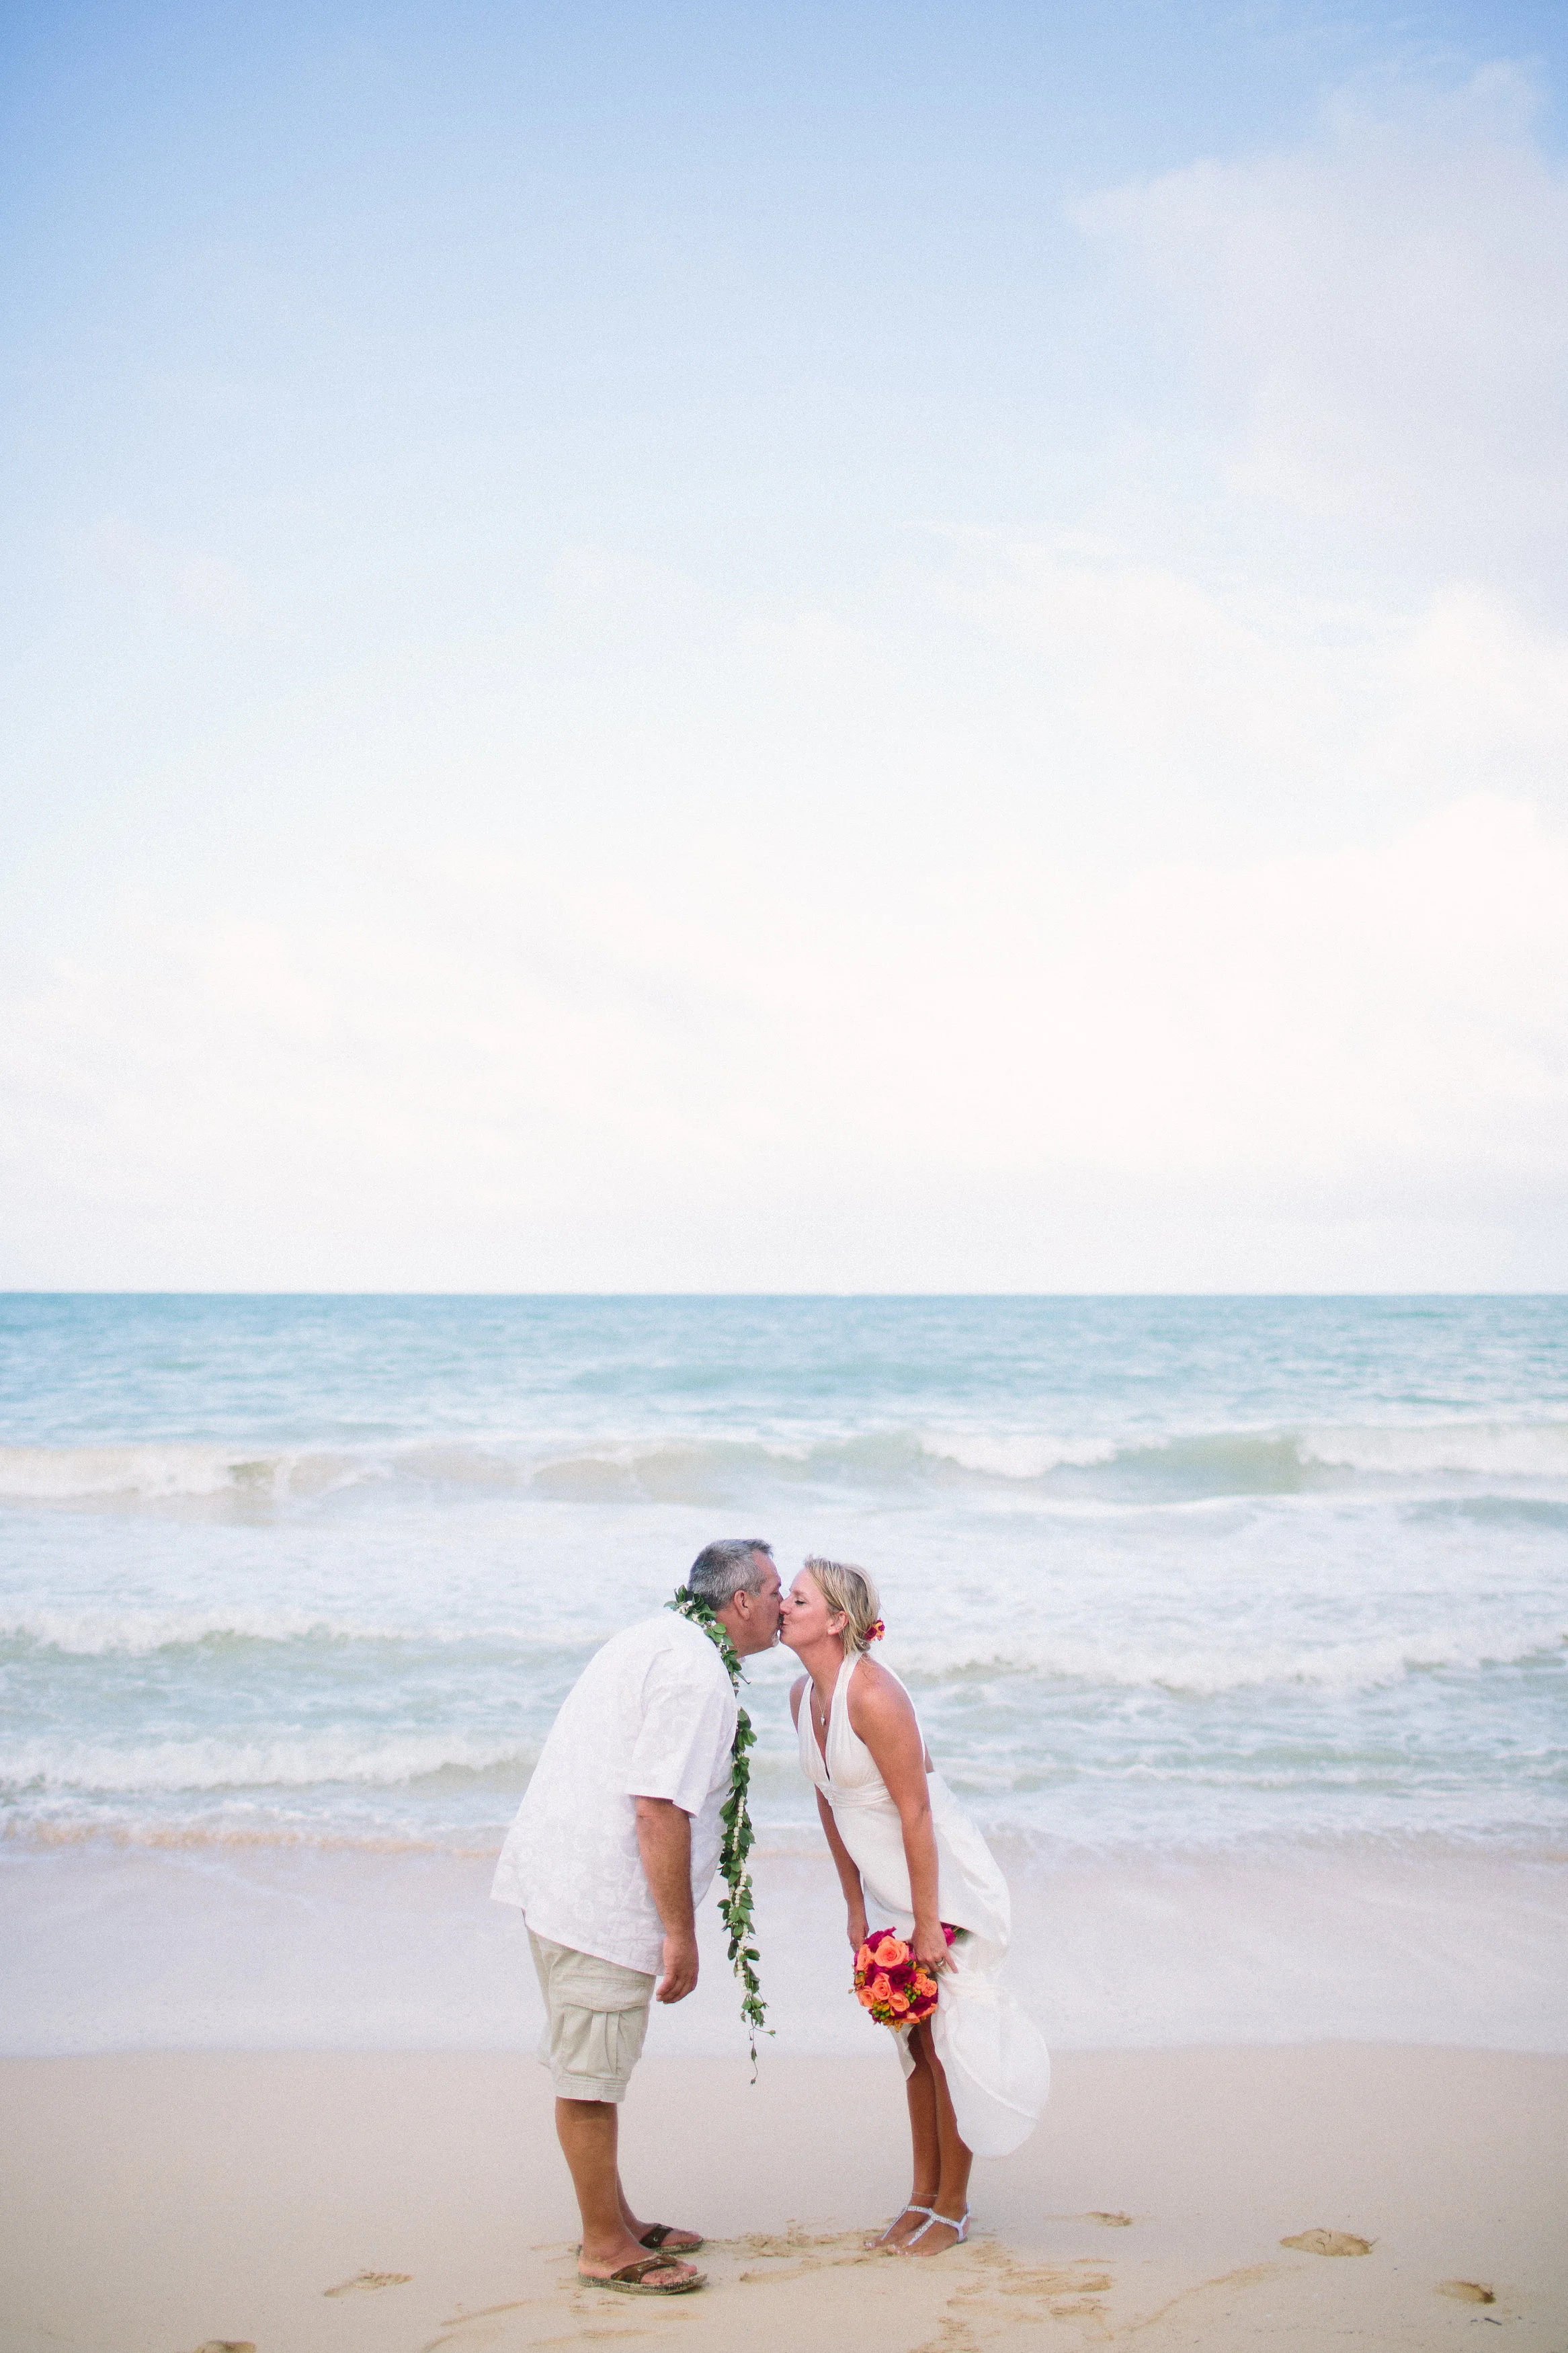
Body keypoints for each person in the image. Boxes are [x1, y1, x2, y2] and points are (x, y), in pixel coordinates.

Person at [493, 1538, 783, 2296]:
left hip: (560, 1875)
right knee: (590, 2075)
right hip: (595, 1895)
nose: (785, 1606)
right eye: (777, 1590)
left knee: (597, 2060)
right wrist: (679, 1932)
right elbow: (657, 1804)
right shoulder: (696, 1674)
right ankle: (602, 2245)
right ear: (743, 1600)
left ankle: (615, 2219)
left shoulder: (664, 1638)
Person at [782, 1556, 1050, 2254]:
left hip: (944, 1884)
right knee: (912, 2043)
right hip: (890, 1891)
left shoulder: (871, 1694)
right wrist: (851, 1903)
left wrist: (929, 1921)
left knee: (948, 2044)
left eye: (798, 1596)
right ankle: (920, 2196)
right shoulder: (799, 1697)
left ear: (836, 1620)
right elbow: (828, 1797)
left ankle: (953, 2209)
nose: (782, 1603)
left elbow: (916, 1812)